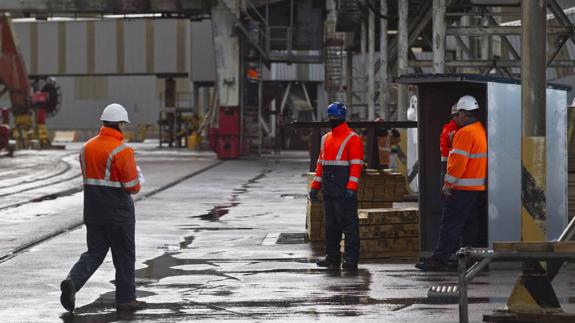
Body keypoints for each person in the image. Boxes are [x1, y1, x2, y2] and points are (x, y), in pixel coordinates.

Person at [60, 103, 146, 313]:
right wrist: (137, 176)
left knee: (95, 252)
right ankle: (126, 300)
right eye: (124, 124)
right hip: (118, 212)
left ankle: (72, 282)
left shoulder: (86, 148)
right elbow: (132, 186)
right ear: (119, 124)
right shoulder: (122, 150)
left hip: (93, 211)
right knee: (124, 255)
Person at [416, 95, 487, 271]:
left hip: (461, 188)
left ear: (463, 114)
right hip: (475, 188)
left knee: (450, 224)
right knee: (469, 226)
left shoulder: (464, 133)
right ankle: (469, 259)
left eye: (459, 113)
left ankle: (439, 259)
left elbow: (457, 164)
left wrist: (448, 185)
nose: (457, 117)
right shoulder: (480, 130)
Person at [309, 102, 364, 270]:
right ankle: (332, 257)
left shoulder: (353, 138)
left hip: (344, 190)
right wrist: (315, 186)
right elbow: (320, 165)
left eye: (334, 117)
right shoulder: (325, 139)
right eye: (331, 117)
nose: (332, 120)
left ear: (341, 118)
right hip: (330, 189)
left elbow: (356, 166)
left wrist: (351, 188)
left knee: (349, 226)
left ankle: (351, 259)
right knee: (331, 225)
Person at [440, 104, 460, 185]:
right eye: (457, 116)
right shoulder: (450, 129)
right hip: (448, 162)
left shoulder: (454, 128)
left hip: (450, 162)